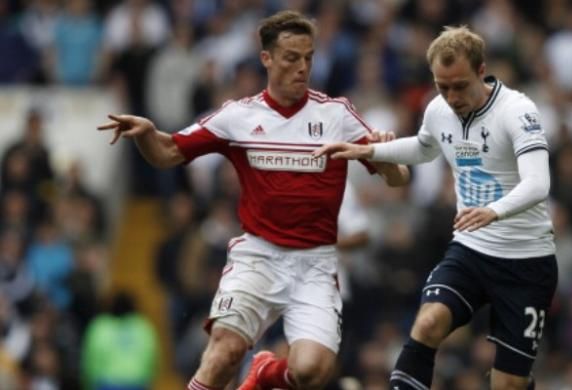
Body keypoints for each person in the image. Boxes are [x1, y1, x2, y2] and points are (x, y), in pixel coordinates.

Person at [97, 10, 409, 390]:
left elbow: (398, 178)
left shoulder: (336, 114)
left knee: (310, 371)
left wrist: (383, 154)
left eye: (308, 58)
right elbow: (167, 152)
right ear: (267, 59)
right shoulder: (239, 117)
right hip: (259, 257)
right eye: (292, 58)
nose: (302, 68)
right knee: (224, 352)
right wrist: (147, 133)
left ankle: (264, 371)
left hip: (315, 264)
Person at [315, 26, 558, 390]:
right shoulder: (438, 109)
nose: (451, 96)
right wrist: (371, 151)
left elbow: (539, 184)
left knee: (508, 385)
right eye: (442, 87)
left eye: (459, 85)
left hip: (526, 262)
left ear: (481, 70)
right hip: (472, 250)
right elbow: (425, 147)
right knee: (427, 323)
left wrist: (494, 211)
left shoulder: (518, 111)